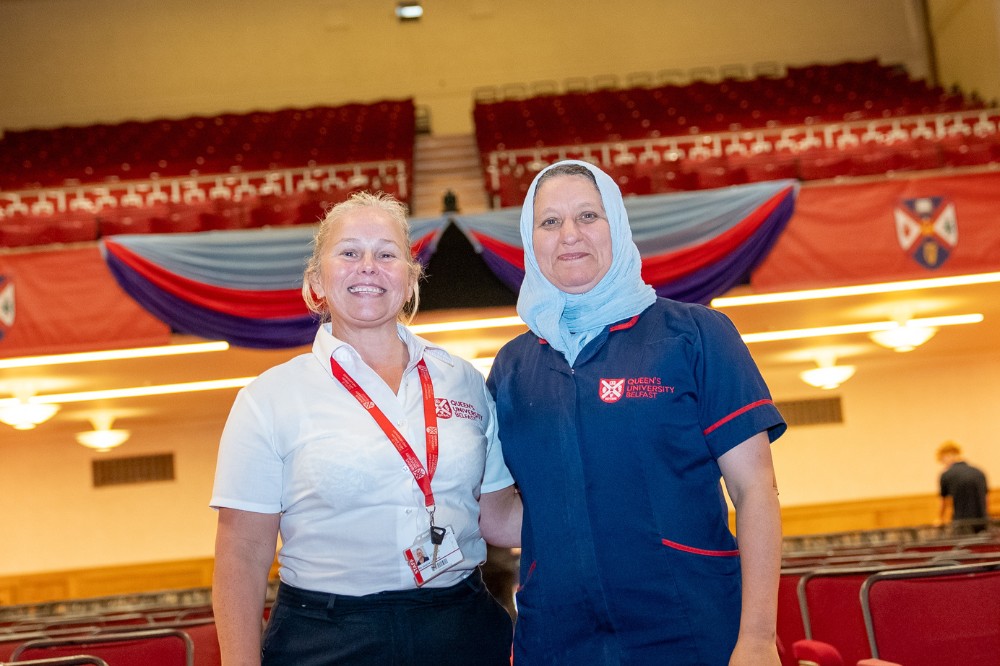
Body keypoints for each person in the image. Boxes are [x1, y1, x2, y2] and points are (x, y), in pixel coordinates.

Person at [487, 160, 786, 666]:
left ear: (618, 226)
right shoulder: (512, 367)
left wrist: (756, 639)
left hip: (693, 629)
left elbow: (754, 489)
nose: (570, 236)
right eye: (550, 222)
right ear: (529, 241)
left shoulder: (696, 335)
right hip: (556, 641)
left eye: (588, 216)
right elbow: (502, 518)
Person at [211, 191, 522, 666]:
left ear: (411, 276)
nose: (368, 266)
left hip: (462, 627)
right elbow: (242, 556)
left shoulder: (464, 381)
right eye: (350, 252)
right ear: (317, 280)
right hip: (327, 638)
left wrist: (608, 504)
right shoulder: (268, 399)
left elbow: (497, 515)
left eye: (387, 253)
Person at [937, 440, 989, 534]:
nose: (944, 464)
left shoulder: (947, 475)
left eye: (942, 460)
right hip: (982, 522)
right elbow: (986, 498)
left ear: (948, 455)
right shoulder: (979, 472)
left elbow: (944, 502)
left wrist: (940, 519)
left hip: (961, 524)